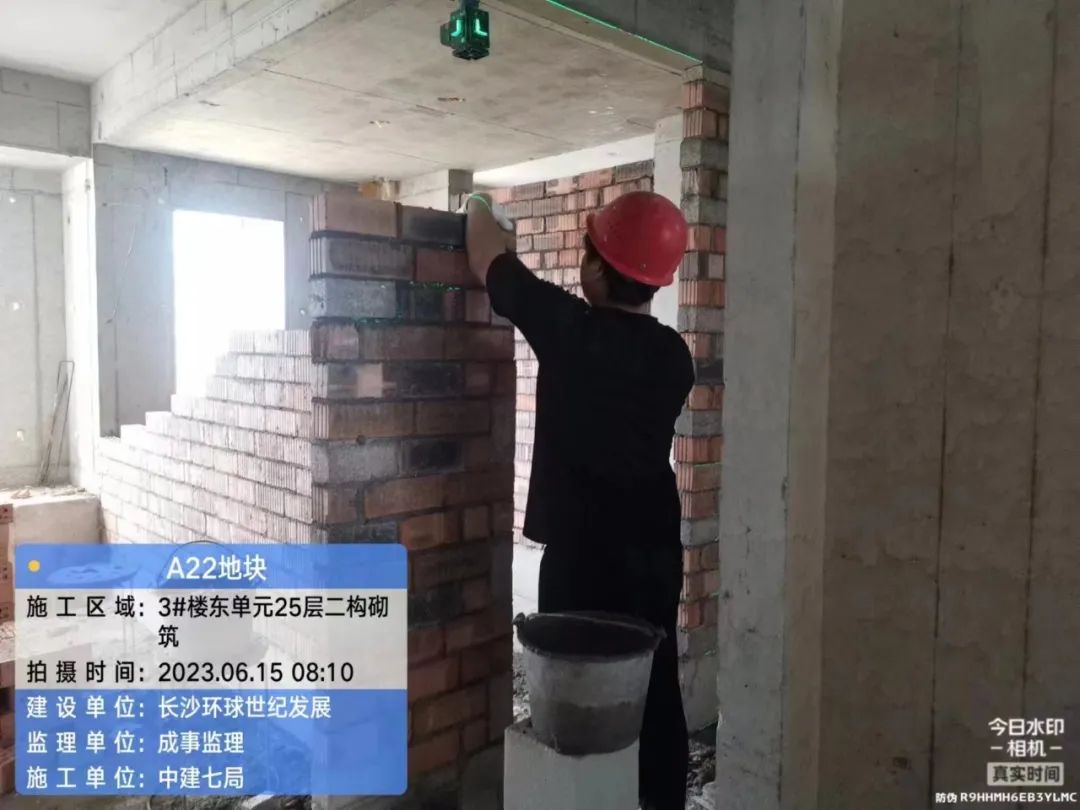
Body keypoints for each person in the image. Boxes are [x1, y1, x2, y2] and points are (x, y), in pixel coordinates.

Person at [465, 190, 695, 810]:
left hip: (582, 556)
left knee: (574, 701)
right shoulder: (674, 356)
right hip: (653, 551)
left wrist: (478, 202)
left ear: (598, 266)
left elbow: (484, 254)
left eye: (587, 251)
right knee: (655, 685)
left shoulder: (570, 330)